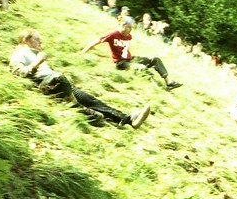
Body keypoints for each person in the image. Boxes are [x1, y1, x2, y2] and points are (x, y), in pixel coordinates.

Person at [10, 29, 151, 129]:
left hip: (59, 82)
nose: (40, 42)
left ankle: (128, 119)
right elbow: (18, 72)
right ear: (25, 40)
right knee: (72, 95)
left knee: (91, 99)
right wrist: (36, 63)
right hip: (49, 84)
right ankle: (91, 116)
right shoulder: (20, 53)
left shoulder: (36, 53)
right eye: (36, 39)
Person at [81, 19, 182, 90]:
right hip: (120, 63)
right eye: (129, 27)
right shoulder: (112, 34)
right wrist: (83, 52)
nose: (131, 29)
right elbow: (97, 41)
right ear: (124, 26)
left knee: (155, 59)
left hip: (130, 59)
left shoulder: (129, 36)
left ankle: (169, 82)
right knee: (141, 68)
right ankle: (154, 86)